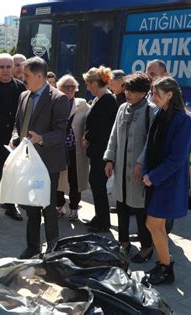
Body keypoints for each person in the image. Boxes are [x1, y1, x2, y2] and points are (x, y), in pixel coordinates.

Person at [10, 56, 69, 259]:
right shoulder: (24, 95)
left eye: (26, 75)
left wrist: (41, 138)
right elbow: (18, 123)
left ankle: (53, 250)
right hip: (26, 160)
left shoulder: (58, 98)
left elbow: (61, 132)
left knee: (48, 207)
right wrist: (16, 137)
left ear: (39, 76)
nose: (22, 77)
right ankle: (32, 247)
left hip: (47, 163)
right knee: (31, 207)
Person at [143, 77, 191, 285]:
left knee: (152, 223)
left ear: (170, 94)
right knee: (157, 225)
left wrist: (152, 176)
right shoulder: (160, 114)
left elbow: (177, 159)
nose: (153, 97)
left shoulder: (183, 119)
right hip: (156, 179)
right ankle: (165, 263)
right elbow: (150, 146)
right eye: (152, 93)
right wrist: (147, 173)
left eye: (156, 93)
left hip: (168, 182)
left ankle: (166, 268)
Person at [104, 72, 156, 263]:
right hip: (120, 167)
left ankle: (146, 246)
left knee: (141, 210)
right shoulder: (122, 108)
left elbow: (151, 142)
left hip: (137, 170)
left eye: (133, 91)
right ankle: (123, 242)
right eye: (127, 90)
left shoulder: (151, 111)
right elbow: (114, 136)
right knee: (121, 206)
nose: (129, 94)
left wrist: (142, 163)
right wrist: (109, 159)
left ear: (143, 92)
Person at [0, 53, 26, 224]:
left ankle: (9, 205)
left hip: (16, 140)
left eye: (9, 66)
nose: (6, 70)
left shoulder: (21, 88)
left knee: (13, 174)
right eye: (1, 67)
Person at [82, 66, 118, 233]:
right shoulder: (100, 98)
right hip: (97, 150)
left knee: (98, 184)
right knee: (96, 184)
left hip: (102, 152)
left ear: (95, 83)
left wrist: (87, 137)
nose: (88, 88)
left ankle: (103, 222)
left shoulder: (108, 100)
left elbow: (102, 127)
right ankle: (99, 217)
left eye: (88, 84)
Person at [55, 74, 90, 221]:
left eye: (72, 87)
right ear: (59, 88)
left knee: (75, 180)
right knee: (58, 181)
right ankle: (59, 206)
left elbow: (91, 122)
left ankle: (74, 209)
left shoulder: (82, 104)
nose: (69, 89)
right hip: (58, 149)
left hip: (75, 150)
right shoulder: (55, 103)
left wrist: (88, 137)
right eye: (65, 87)